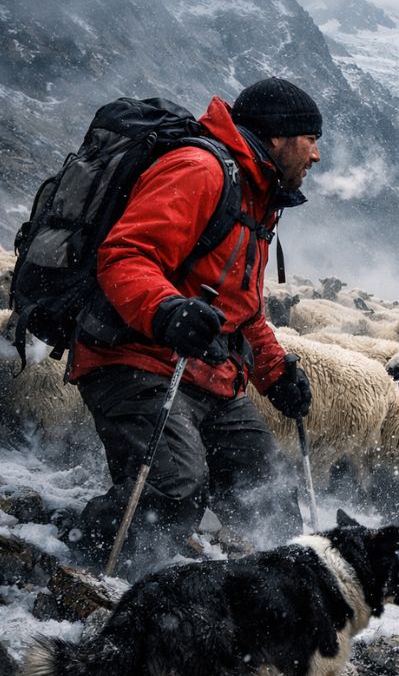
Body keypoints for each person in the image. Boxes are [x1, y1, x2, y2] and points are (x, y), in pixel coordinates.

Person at [68, 77, 321, 572]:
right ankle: (93, 567)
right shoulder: (199, 170)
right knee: (174, 490)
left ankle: (271, 597)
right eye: (311, 139)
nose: (315, 155)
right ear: (278, 136)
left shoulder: (258, 195)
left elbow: (243, 308)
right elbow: (124, 256)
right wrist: (167, 309)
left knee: (267, 492)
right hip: (136, 359)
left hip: (209, 372)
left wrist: (275, 373)